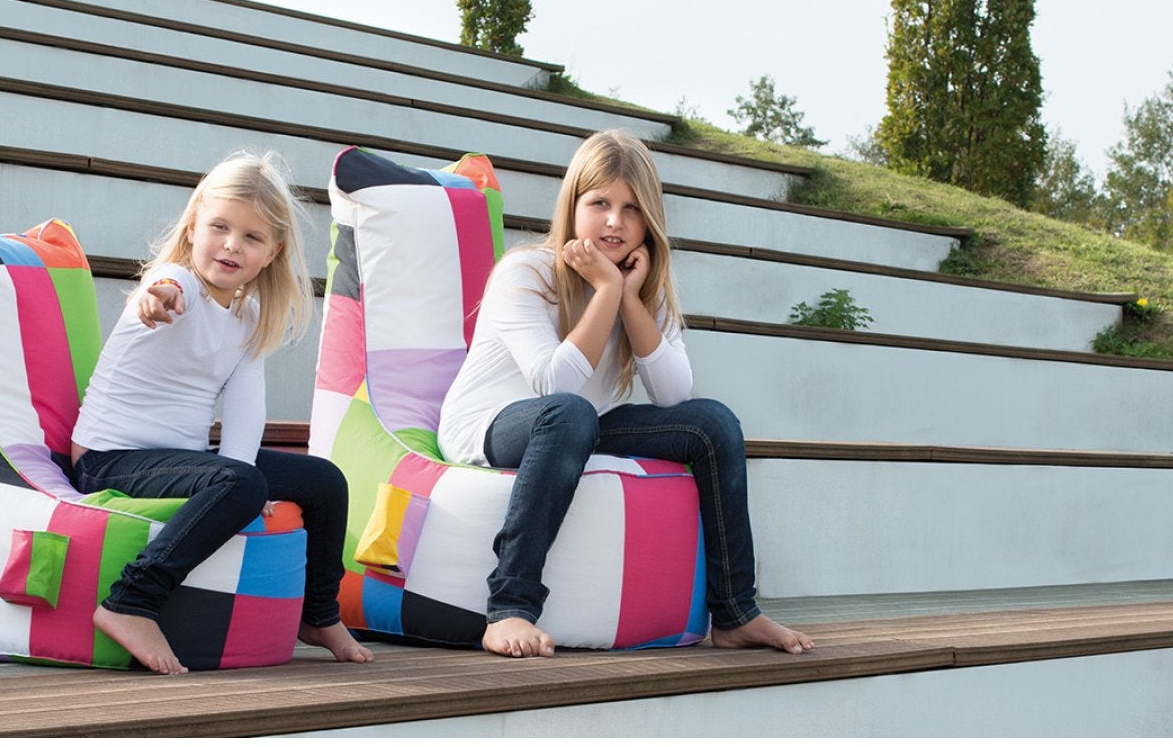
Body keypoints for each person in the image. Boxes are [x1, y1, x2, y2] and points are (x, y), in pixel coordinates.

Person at [437, 128, 813, 659]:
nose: (615, 221)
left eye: (632, 209)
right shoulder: (526, 273)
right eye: (600, 203)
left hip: (580, 424)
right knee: (568, 412)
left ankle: (735, 612)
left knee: (713, 424)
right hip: (490, 424)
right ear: (573, 205)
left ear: (649, 221)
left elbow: (674, 394)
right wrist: (607, 291)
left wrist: (630, 299)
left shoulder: (644, 289)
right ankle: (509, 607)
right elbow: (554, 383)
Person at [70, 151, 372, 675]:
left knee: (323, 481)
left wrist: (243, 480)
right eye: (219, 227)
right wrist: (155, 297)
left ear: (272, 253)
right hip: (109, 457)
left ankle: (319, 613)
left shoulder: (248, 315)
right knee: (240, 482)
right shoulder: (178, 284)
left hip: (180, 456)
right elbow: (162, 287)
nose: (232, 244)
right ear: (193, 228)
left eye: (252, 237)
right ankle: (131, 601)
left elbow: (245, 407)